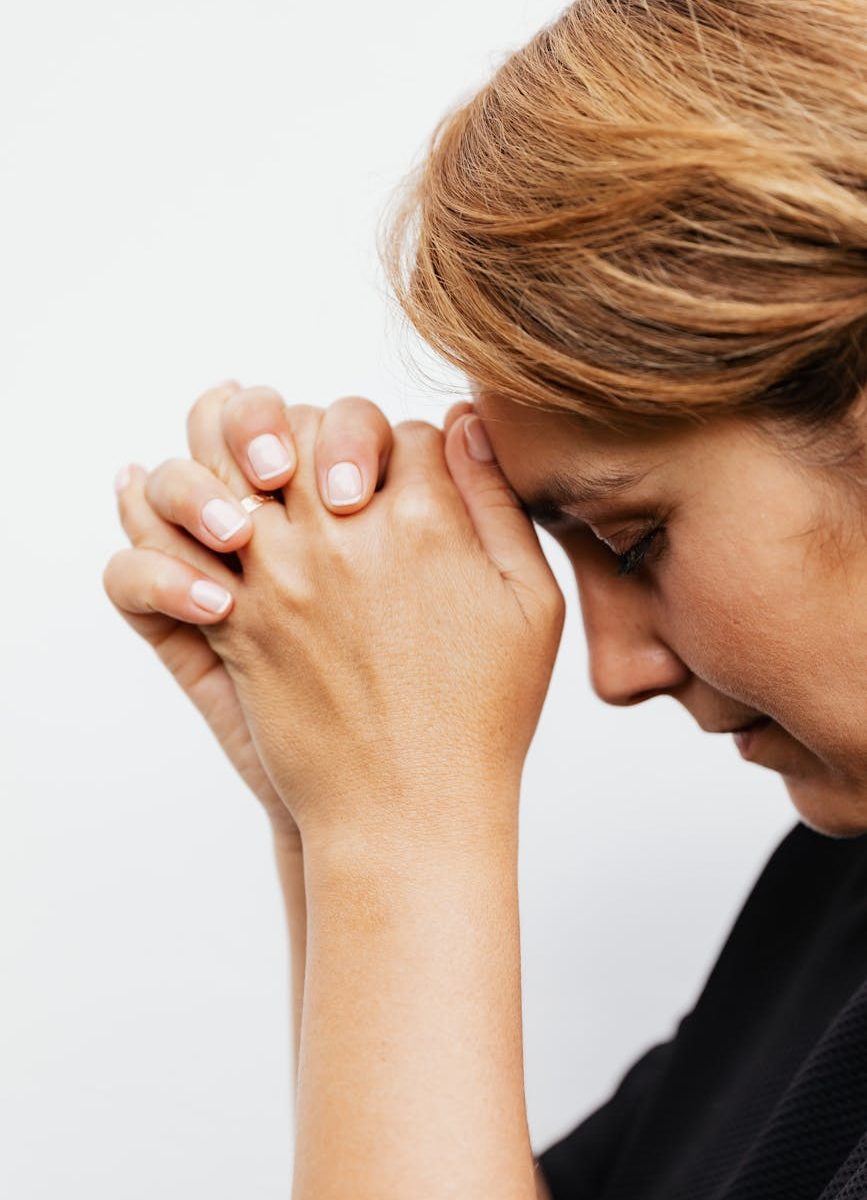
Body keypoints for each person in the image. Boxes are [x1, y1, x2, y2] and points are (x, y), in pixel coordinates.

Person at [102, 2, 867, 1196]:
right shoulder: (837, 894)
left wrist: (396, 827)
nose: (615, 672)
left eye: (633, 537)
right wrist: (333, 798)